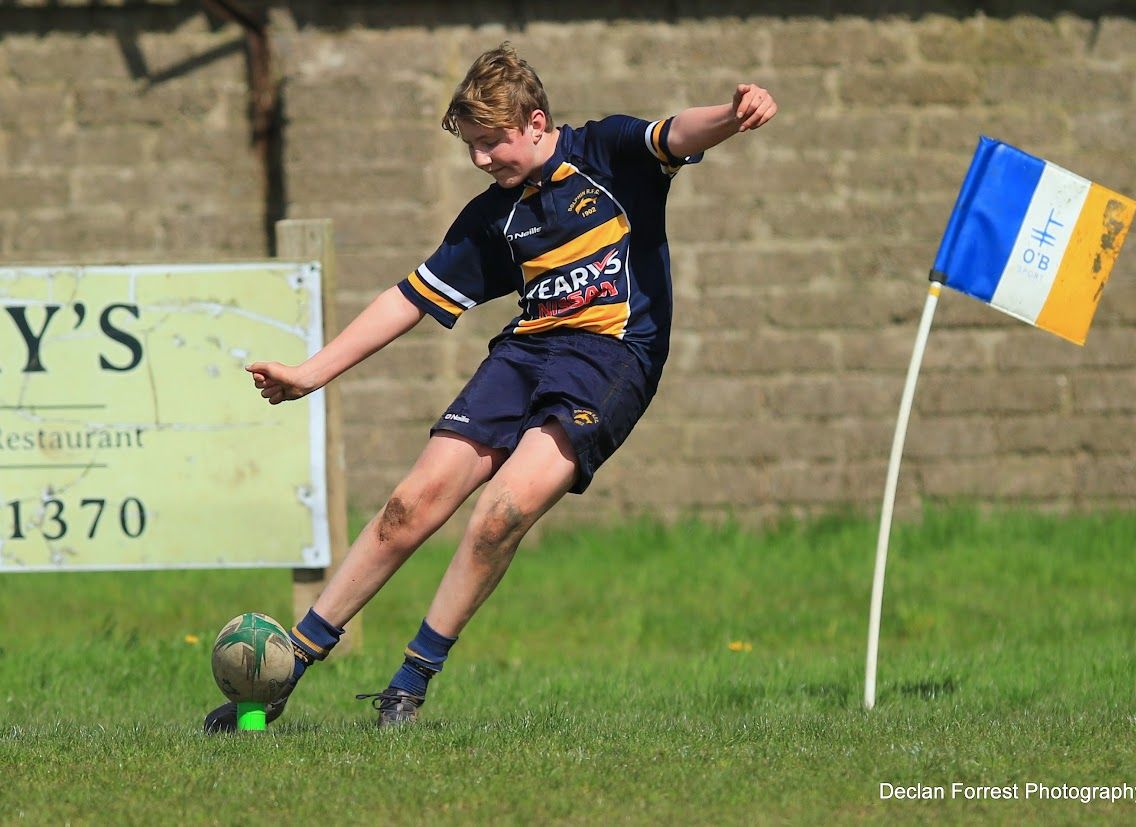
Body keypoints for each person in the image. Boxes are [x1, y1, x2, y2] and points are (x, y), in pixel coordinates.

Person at [204, 42, 775, 732]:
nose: (481, 160)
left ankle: (407, 688)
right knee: (407, 506)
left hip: (612, 359)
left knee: (500, 513)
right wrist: (310, 373)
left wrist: (734, 113)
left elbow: (677, 132)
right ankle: (284, 672)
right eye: (471, 146)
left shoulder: (611, 153)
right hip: (526, 352)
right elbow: (408, 298)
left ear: (536, 122)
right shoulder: (494, 215)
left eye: (491, 143)